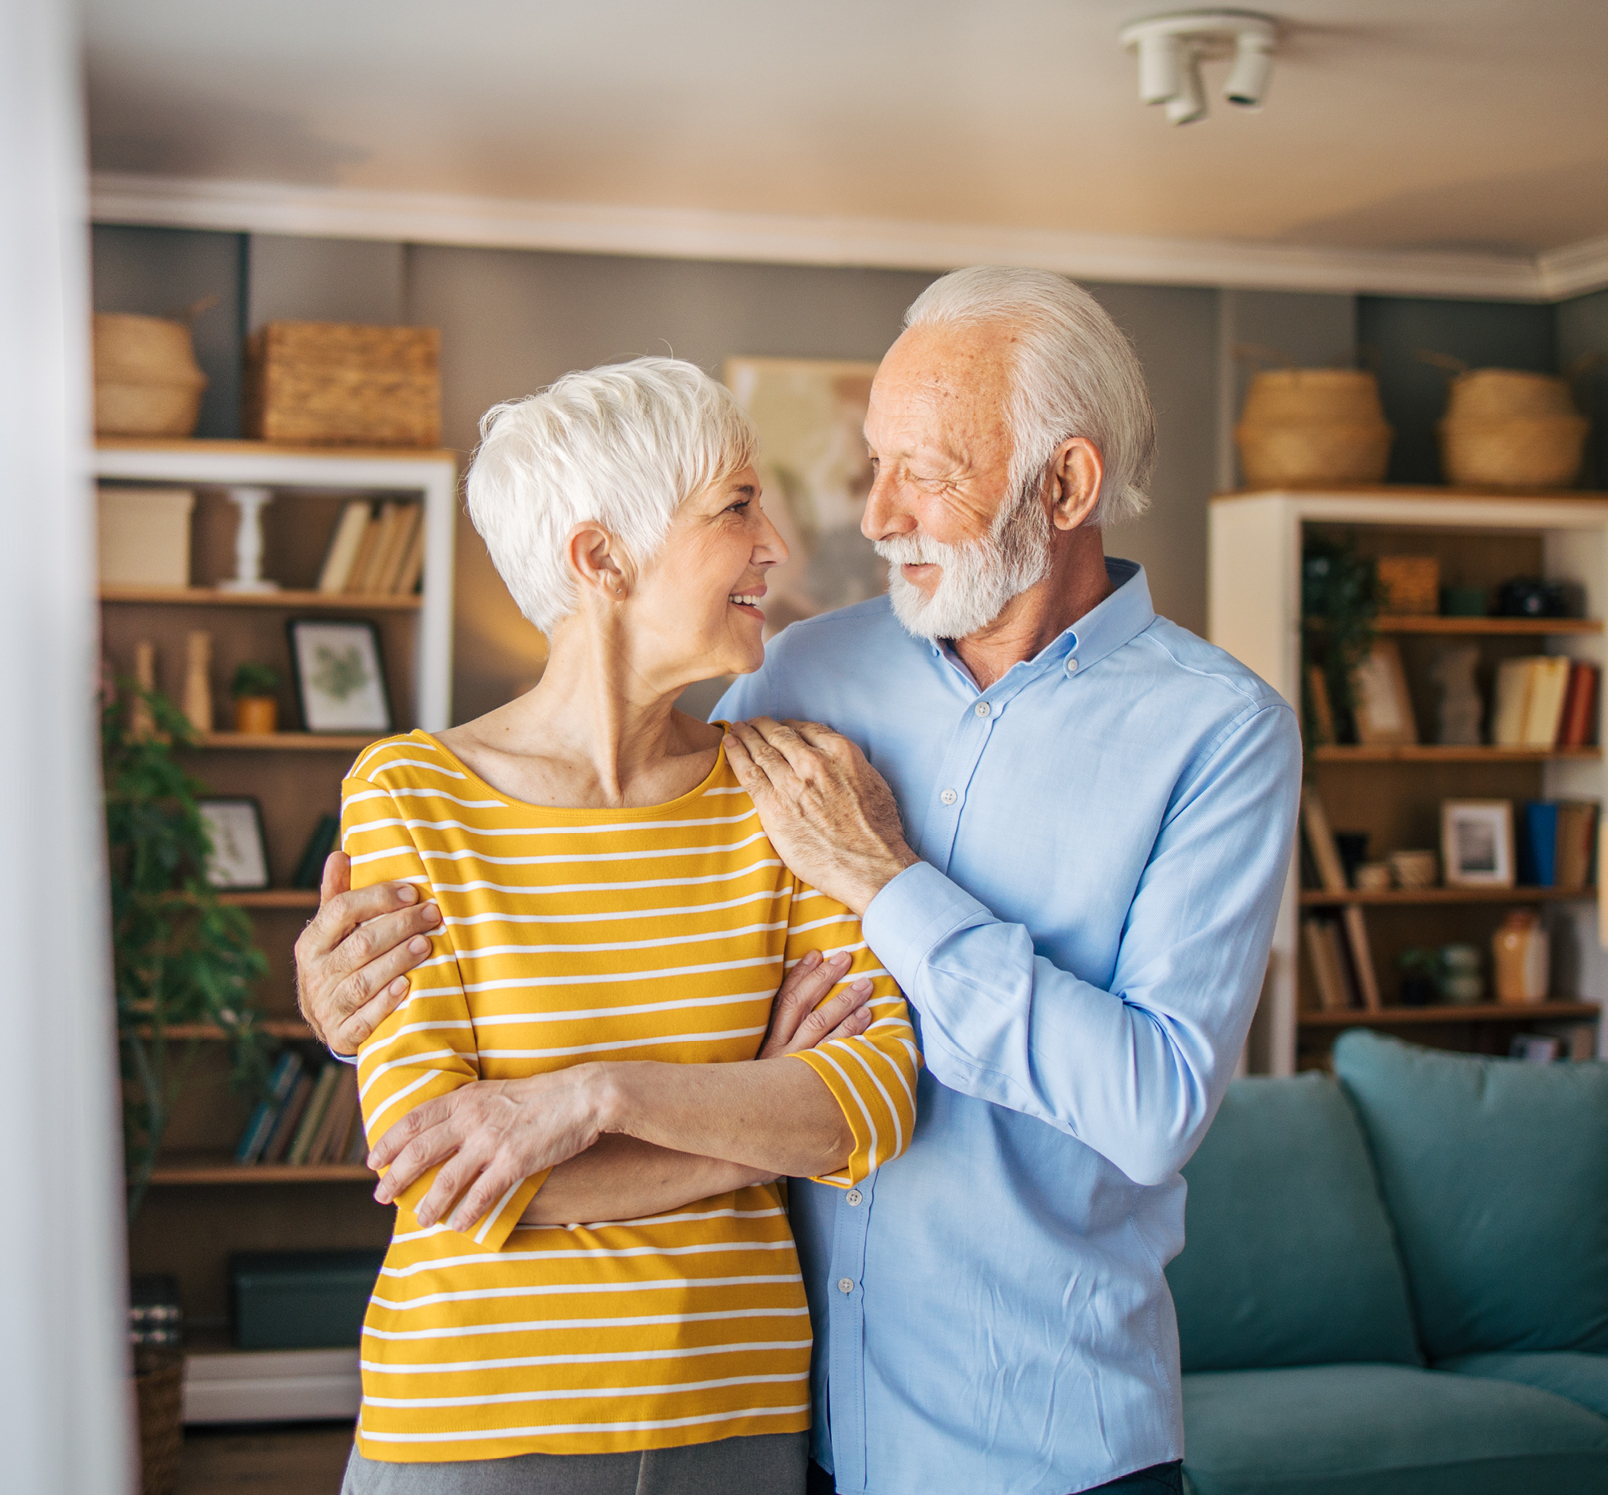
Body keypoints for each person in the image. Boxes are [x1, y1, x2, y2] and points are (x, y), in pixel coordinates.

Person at [300, 266, 1301, 1495]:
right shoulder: (798, 682)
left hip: (1037, 1434)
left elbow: (1065, 1105)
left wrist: (880, 888)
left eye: (923, 471)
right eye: (871, 464)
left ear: (1066, 485)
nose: (870, 519)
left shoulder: (1219, 734)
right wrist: (350, 1009)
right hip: (789, 1429)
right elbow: (447, 1137)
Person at [332, 358, 918, 1495]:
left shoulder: (781, 784)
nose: (774, 546)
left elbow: (872, 1100)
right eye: (736, 507)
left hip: (737, 1415)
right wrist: (756, 1107)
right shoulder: (411, 793)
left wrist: (591, 1098)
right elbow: (441, 1170)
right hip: (474, 1419)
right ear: (601, 558)